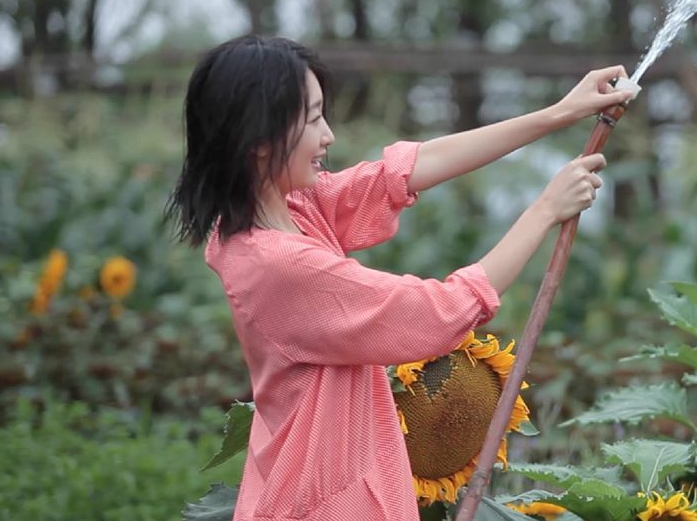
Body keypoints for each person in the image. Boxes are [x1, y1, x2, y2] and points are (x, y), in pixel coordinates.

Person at [165, 35, 632, 521]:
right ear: (259, 140)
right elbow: (436, 314)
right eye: (312, 118)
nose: (328, 135)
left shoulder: (288, 209)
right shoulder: (277, 264)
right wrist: (544, 210)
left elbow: (404, 172)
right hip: (327, 503)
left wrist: (560, 112)